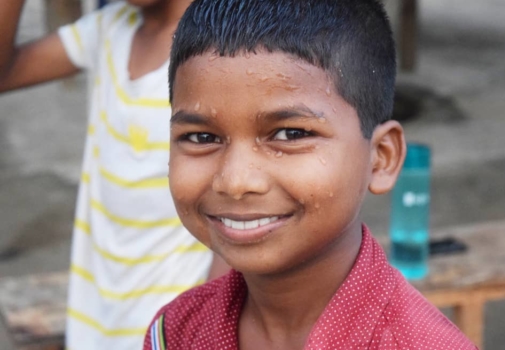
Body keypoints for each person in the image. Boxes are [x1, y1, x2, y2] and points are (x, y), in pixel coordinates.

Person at [143, 0, 478, 349]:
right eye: (202, 138)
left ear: (381, 158)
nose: (235, 181)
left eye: (291, 134)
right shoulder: (174, 331)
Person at [0, 1, 229, 349]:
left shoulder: (221, 49)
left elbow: (231, 209)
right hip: (95, 320)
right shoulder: (109, 29)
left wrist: (205, 327)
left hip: (171, 324)